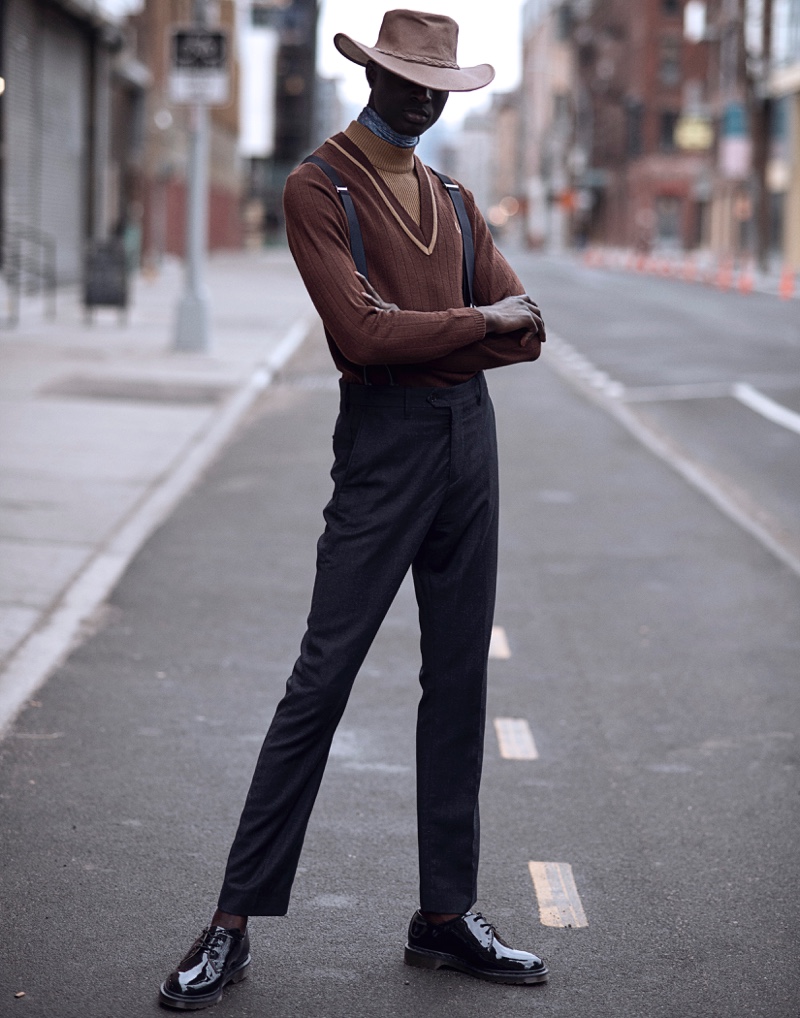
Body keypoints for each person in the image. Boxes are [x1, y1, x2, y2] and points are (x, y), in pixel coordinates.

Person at [159, 10, 548, 1010]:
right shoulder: (316, 185)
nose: (422, 96)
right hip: (382, 447)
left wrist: (457, 332)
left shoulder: (457, 198)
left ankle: (443, 916)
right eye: (405, 78)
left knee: (457, 681)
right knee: (320, 678)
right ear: (371, 73)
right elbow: (363, 336)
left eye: (437, 84)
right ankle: (230, 921)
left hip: (469, 443)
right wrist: (475, 324)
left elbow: (527, 332)